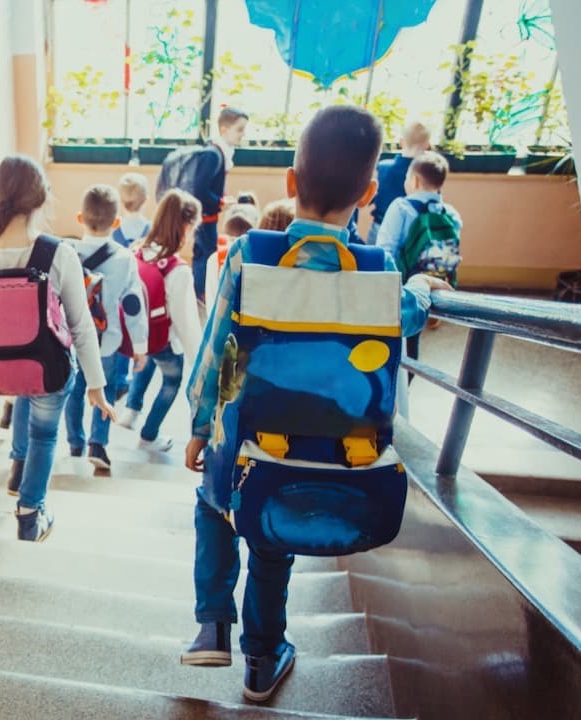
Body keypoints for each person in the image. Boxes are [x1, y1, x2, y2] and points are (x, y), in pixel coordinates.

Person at [181, 106, 451, 702]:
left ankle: (211, 623)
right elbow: (407, 315)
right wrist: (422, 293)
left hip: (243, 437)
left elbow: (216, 346)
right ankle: (261, 660)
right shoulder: (379, 272)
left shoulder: (251, 252)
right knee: (272, 548)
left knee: (214, 505)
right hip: (327, 452)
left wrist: (202, 424)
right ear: (371, 191)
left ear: (290, 182)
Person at [0, 155, 115, 542]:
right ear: (42, 199)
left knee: (23, 392)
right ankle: (29, 512)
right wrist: (96, 386)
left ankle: (15, 466)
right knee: (44, 435)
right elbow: (80, 325)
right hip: (49, 370)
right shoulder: (59, 253)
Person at [64, 185, 149, 470]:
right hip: (107, 342)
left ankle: (74, 440)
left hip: (72, 341)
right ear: (116, 223)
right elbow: (135, 305)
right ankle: (97, 443)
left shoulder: (66, 253)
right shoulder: (125, 259)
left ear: (79, 218)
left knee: (74, 391)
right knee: (106, 388)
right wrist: (140, 347)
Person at [115, 190, 204, 453]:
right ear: (186, 226)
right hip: (163, 339)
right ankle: (149, 434)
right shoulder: (177, 271)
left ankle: (131, 410)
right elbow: (186, 324)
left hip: (140, 336)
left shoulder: (137, 251)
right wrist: (198, 362)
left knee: (148, 361)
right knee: (172, 380)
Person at [375, 150, 463, 376]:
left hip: (405, 286)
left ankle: (395, 382)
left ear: (413, 180)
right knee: (414, 339)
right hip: (435, 282)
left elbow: (385, 249)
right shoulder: (451, 214)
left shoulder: (401, 208)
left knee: (399, 334)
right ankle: (409, 376)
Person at [157, 106, 250, 304]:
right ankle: (199, 296)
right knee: (205, 256)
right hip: (206, 217)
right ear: (224, 130)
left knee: (204, 254)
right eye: (239, 129)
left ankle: (199, 294)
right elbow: (200, 189)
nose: (242, 135)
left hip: (208, 215)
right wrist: (219, 202)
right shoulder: (214, 155)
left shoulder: (217, 153)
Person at [110, 173, 153, 401]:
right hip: (143, 294)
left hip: (116, 292)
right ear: (146, 200)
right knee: (137, 334)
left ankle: (118, 380)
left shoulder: (113, 229)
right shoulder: (151, 229)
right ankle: (132, 381)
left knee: (118, 333)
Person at [367, 121, 431, 245]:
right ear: (427, 145)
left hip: (381, 226)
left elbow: (376, 196)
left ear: (401, 142)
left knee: (373, 261)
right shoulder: (428, 174)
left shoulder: (384, 167)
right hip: (414, 232)